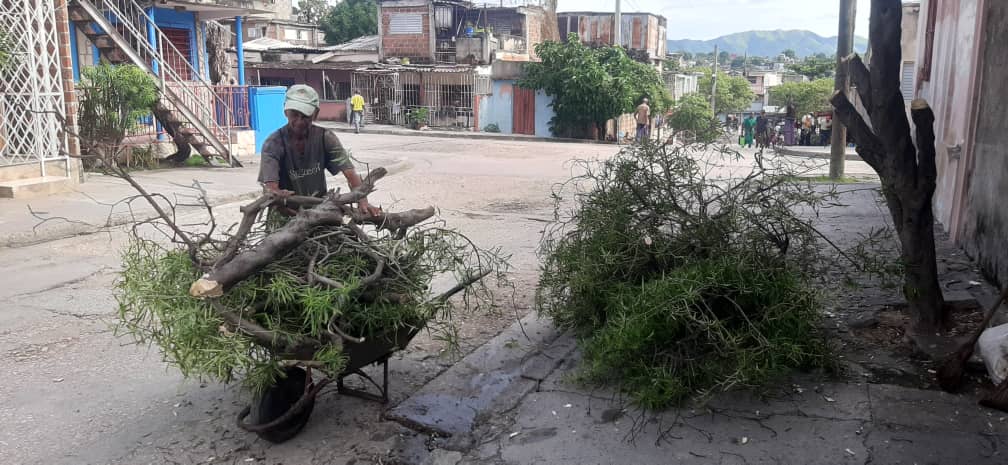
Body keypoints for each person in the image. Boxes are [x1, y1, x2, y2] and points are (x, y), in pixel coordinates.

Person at [258, 85, 381, 216]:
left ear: (315, 114)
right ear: (285, 111)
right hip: (284, 217)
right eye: (294, 114)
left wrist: (362, 200)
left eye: (305, 116)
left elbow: (350, 173)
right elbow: (271, 189)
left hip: (319, 213)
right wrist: (278, 196)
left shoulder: (325, 138)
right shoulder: (273, 144)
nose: (299, 121)